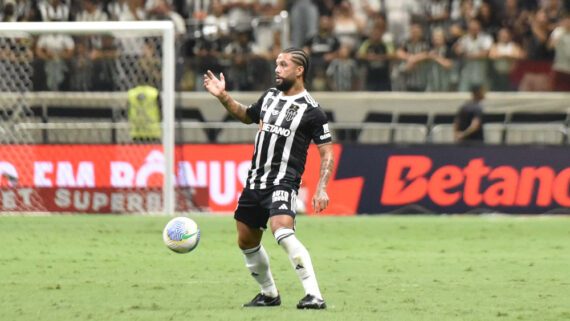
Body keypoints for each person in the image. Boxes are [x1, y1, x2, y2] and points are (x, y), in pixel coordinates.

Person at [203, 47, 333, 309]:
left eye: (283, 64)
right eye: (276, 64)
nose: (277, 69)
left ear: (299, 70)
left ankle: (314, 295)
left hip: (283, 182)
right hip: (255, 182)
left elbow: (326, 152)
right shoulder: (270, 97)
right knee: (246, 239)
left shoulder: (312, 111)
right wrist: (223, 96)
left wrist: (322, 188)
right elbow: (245, 115)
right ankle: (269, 294)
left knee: (282, 230)